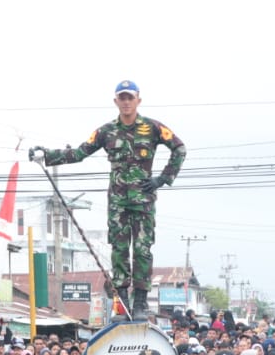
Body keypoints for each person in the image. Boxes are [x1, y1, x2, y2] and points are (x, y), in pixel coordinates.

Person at [31, 80, 188, 317]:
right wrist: (48, 155)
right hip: (117, 202)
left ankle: (141, 302)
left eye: (130, 98)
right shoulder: (106, 132)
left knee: (143, 250)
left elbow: (179, 149)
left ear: (138, 100)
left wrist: (162, 178)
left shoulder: (153, 128)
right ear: (116, 101)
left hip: (143, 200)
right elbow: (80, 152)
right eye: (122, 98)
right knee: (119, 250)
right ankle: (122, 301)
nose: (126, 102)